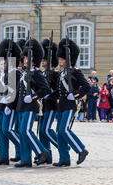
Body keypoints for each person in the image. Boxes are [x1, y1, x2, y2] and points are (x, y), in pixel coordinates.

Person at [51, 38, 90, 167]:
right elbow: (59, 90)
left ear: (68, 59)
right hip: (61, 104)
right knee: (59, 132)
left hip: (69, 104)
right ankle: (64, 158)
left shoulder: (76, 71)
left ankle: (81, 149)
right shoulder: (62, 73)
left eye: (62, 59)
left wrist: (75, 95)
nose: (60, 61)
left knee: (64, 130)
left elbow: (86, 87)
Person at [14, 38, 51, 168]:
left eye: (26, 58)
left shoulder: (36, 73)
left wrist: (34, 96)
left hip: (30, 106)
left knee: (26, 130)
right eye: (23, 58)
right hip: (22, 106)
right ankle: (25, 159)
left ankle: (41, 151)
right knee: (22, 132)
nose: (24, 60)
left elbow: (45, 89)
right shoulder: (24, 73)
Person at [0, 39, 22, 166]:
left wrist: (9, 105)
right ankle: (3, 156)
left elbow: (14, 92)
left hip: (10, 105)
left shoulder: (16, 72)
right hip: (1, 105)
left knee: (7, 130)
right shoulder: (3, 73)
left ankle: (25, 145)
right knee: (2, 131)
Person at [38, 38, 60, 164]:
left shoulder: (55, 74)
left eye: (44, 59)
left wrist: (49, 96)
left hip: (51, 105)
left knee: (46, 129)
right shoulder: (42, 73)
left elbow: (58, 90)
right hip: (43, 106)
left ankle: (61, 145)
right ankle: (48, 156)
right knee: (41, 131)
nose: (42, 61)